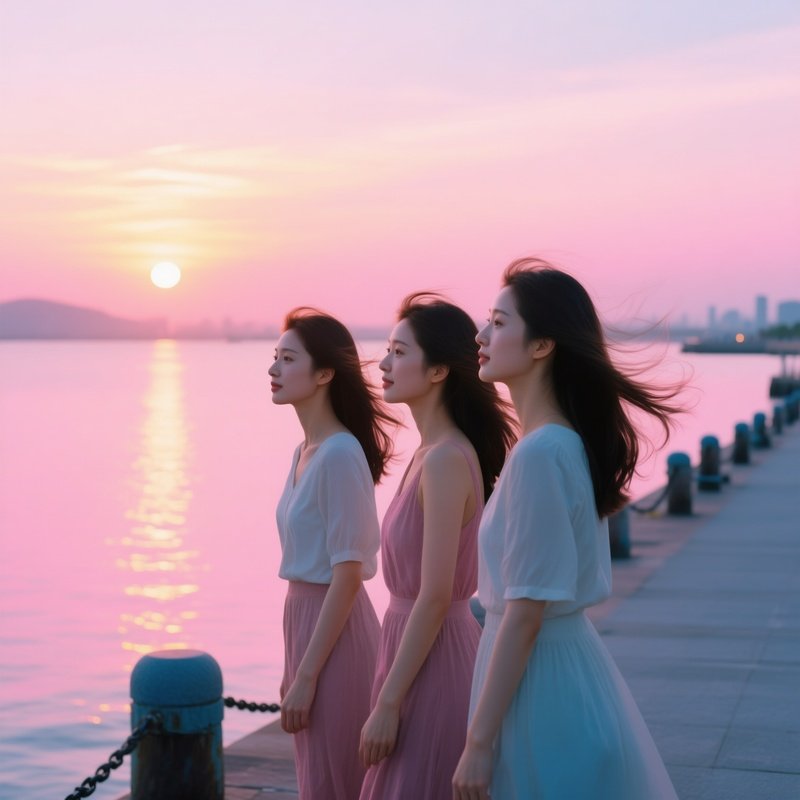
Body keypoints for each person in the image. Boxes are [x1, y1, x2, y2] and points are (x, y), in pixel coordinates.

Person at [452, 259, 681, 800]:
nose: (481, 335)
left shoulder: (541, 452)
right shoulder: (552, 444)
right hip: (555, 668)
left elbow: (526, 613)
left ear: (542, 345)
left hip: (541, 683)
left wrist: (478, 743)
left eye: (499, 322)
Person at [359, 294, 516, 800]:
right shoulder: (428, 454)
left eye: (399, 352)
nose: (383, 363)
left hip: (436, 657)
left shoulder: (447, 459)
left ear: (438, 372)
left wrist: (388, 702)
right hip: (410, 646)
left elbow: (435, 594)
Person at [269, 308, 395, 800]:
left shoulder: (341, 453)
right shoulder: (305, 451)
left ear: (324, 373)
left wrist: (306, 676)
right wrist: (292, 667)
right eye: (274, 358)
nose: (274, 369)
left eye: (287, 359)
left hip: (337, 630)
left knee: (337, 782)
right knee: (317, 779)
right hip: (303, 621)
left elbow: (347, 574)